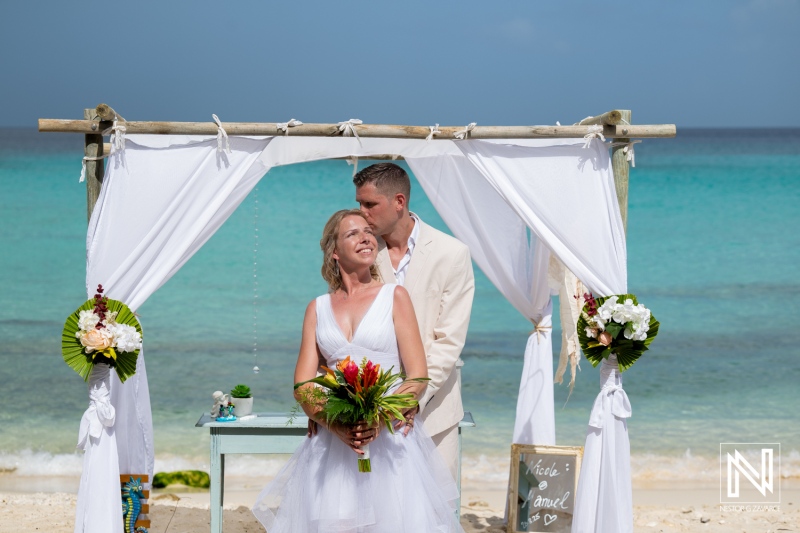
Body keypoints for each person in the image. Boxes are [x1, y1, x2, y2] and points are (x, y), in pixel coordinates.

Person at [252, 209, 463, 533]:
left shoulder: (395, 296)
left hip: (390, 441)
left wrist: (378, 419)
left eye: (368, 231)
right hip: (333, 445)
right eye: (353, 233)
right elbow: (303, 384)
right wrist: (332, 423)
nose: (365, 237)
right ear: (334, 251)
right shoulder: (317, 308)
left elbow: (418, 374)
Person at [353, 163, 475, 480]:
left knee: (435, 517)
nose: (362, 213)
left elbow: (449, 339)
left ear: (399, 201)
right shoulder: (359, 252)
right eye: (359, 204)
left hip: (435, 412)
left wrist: (411, 401)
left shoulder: (452, 253)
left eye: (369, 204)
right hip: (369, 412)